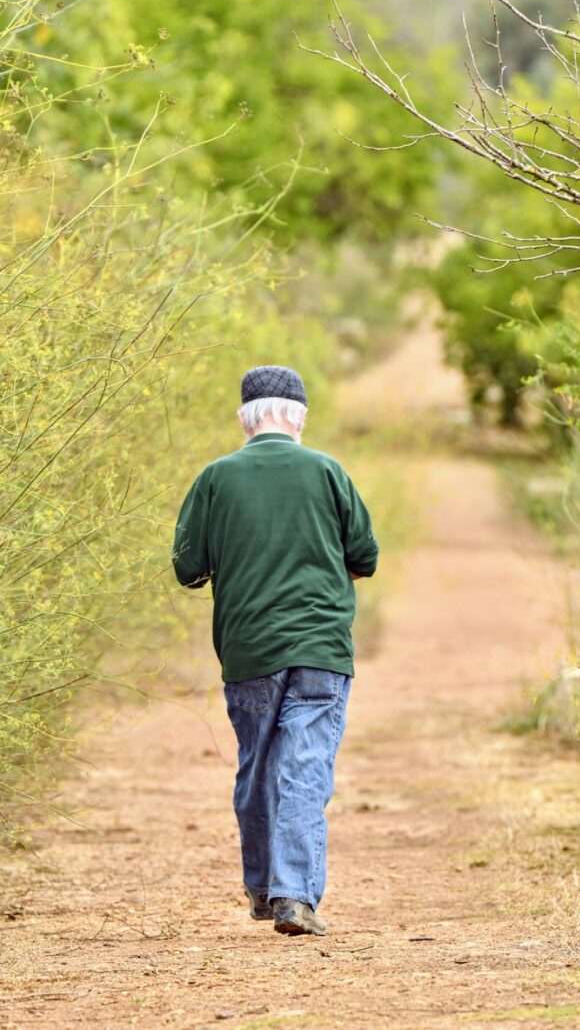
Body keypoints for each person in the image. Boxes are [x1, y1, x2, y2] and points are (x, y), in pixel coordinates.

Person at [171, 365, 379, 937]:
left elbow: (188, 569)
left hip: (248, 648)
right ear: (300, 418)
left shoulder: (215, 478)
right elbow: (365, 555)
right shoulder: (328, 471)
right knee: (305, 767)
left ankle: (264, 890)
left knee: (258, 765)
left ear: (244, 419)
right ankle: (294, 897)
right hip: (321, 648)